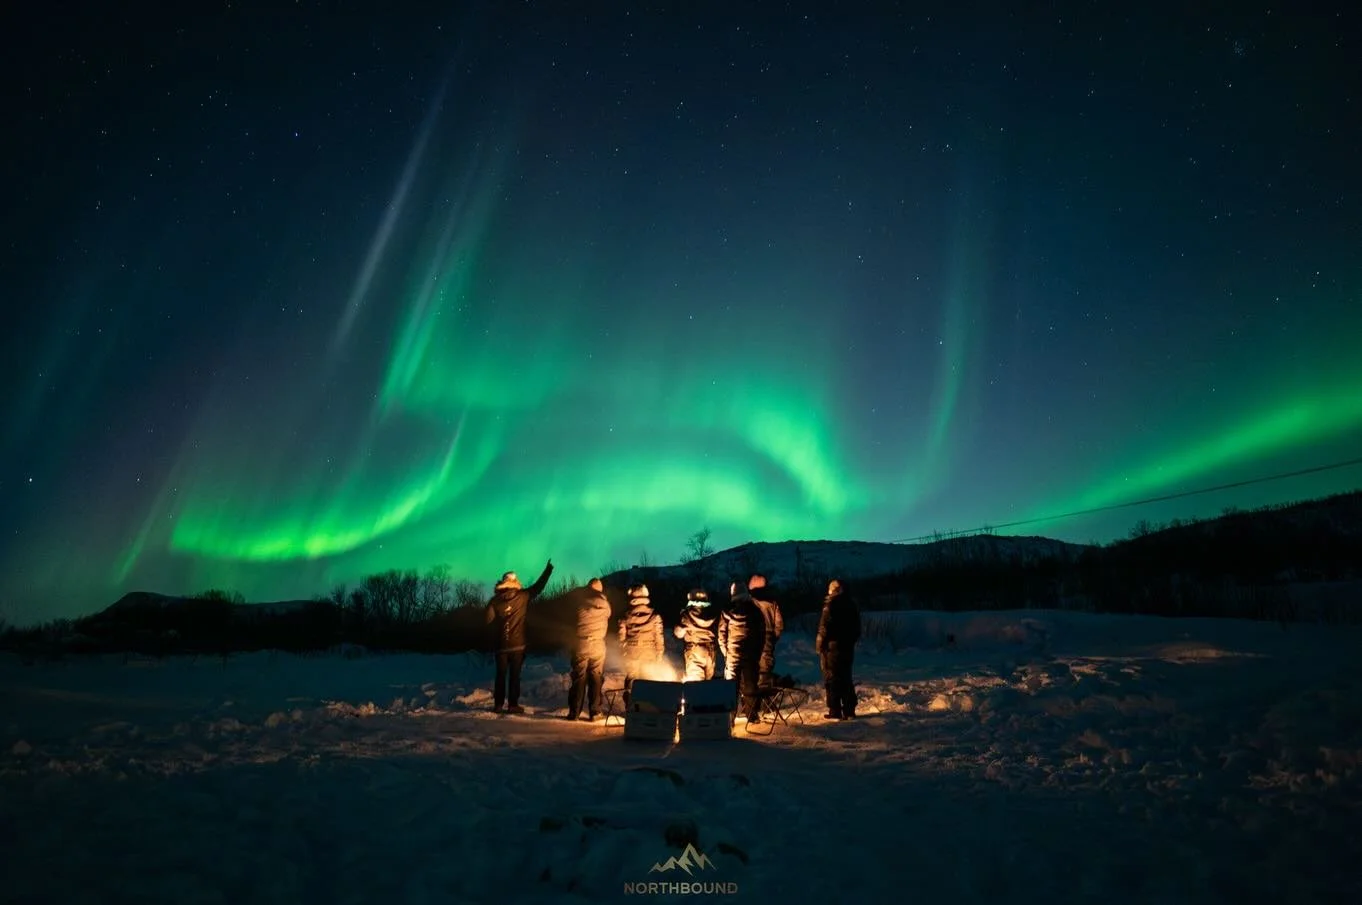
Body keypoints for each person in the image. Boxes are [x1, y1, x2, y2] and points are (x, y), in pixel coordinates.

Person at [484, 559, 554, 714]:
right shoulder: (523, 596)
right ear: (515, 581)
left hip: (501, 646)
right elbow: (538, 587)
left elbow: (487, 621)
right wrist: (548, 570)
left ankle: (498, 704)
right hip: (518, 645)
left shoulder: (494, 601)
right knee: (515, 676)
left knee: (500, 676)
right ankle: (513, 705)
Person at [718, 581, 766, 721]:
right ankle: (752, 715)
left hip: (733, 654)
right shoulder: (755, 610)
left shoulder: (726, 612)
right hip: (751, 655)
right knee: (750, 685)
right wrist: (757, 652)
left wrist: (726, 653)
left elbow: (721, 635)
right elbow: (761, 634)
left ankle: (730, 717)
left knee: (731, 687)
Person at [815, 579, 862, 720]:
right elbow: (857, 628)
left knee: (832, 677)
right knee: (846, 677)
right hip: (847, 647)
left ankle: (835, 709)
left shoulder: (830, 605)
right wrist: (851, 641)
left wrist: (819, 645)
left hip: (832, 647)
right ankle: (849, 710)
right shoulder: (852, 604)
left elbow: (824, 628)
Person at [567, 578, 611, 721]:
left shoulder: (580, 603)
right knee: (596, 677)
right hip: (598, 644)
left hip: (581, 643)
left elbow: (573, 620)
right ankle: (595, 712)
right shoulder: (606, 605)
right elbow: (608, 615)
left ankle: (574, 712)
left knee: (579, 677)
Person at [617, 583, 664, 708]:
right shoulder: (654, 616)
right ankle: (646, 710)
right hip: (649, 652)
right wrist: (659, 653)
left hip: (632, 652)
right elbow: (659, 637)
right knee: (647, 681)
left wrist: (623, 651)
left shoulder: (626, 616)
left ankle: (631, 709)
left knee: (631, 682)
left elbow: (621, 637)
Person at [673, 589, 719, 681]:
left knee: (696, 685)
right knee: (708, 683)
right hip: (711, 650)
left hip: (695, 650)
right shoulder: (712, 614)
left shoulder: (686, 614)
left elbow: (679, 634)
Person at [747, 574, 784, 688]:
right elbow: (779, 625)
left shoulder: (749, 602)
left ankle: (752, 699)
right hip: (768, 637)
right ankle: (765, 700)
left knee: (751, 669)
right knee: (765, 670)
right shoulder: (772, 603)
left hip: (752, 638)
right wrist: (772, 638)